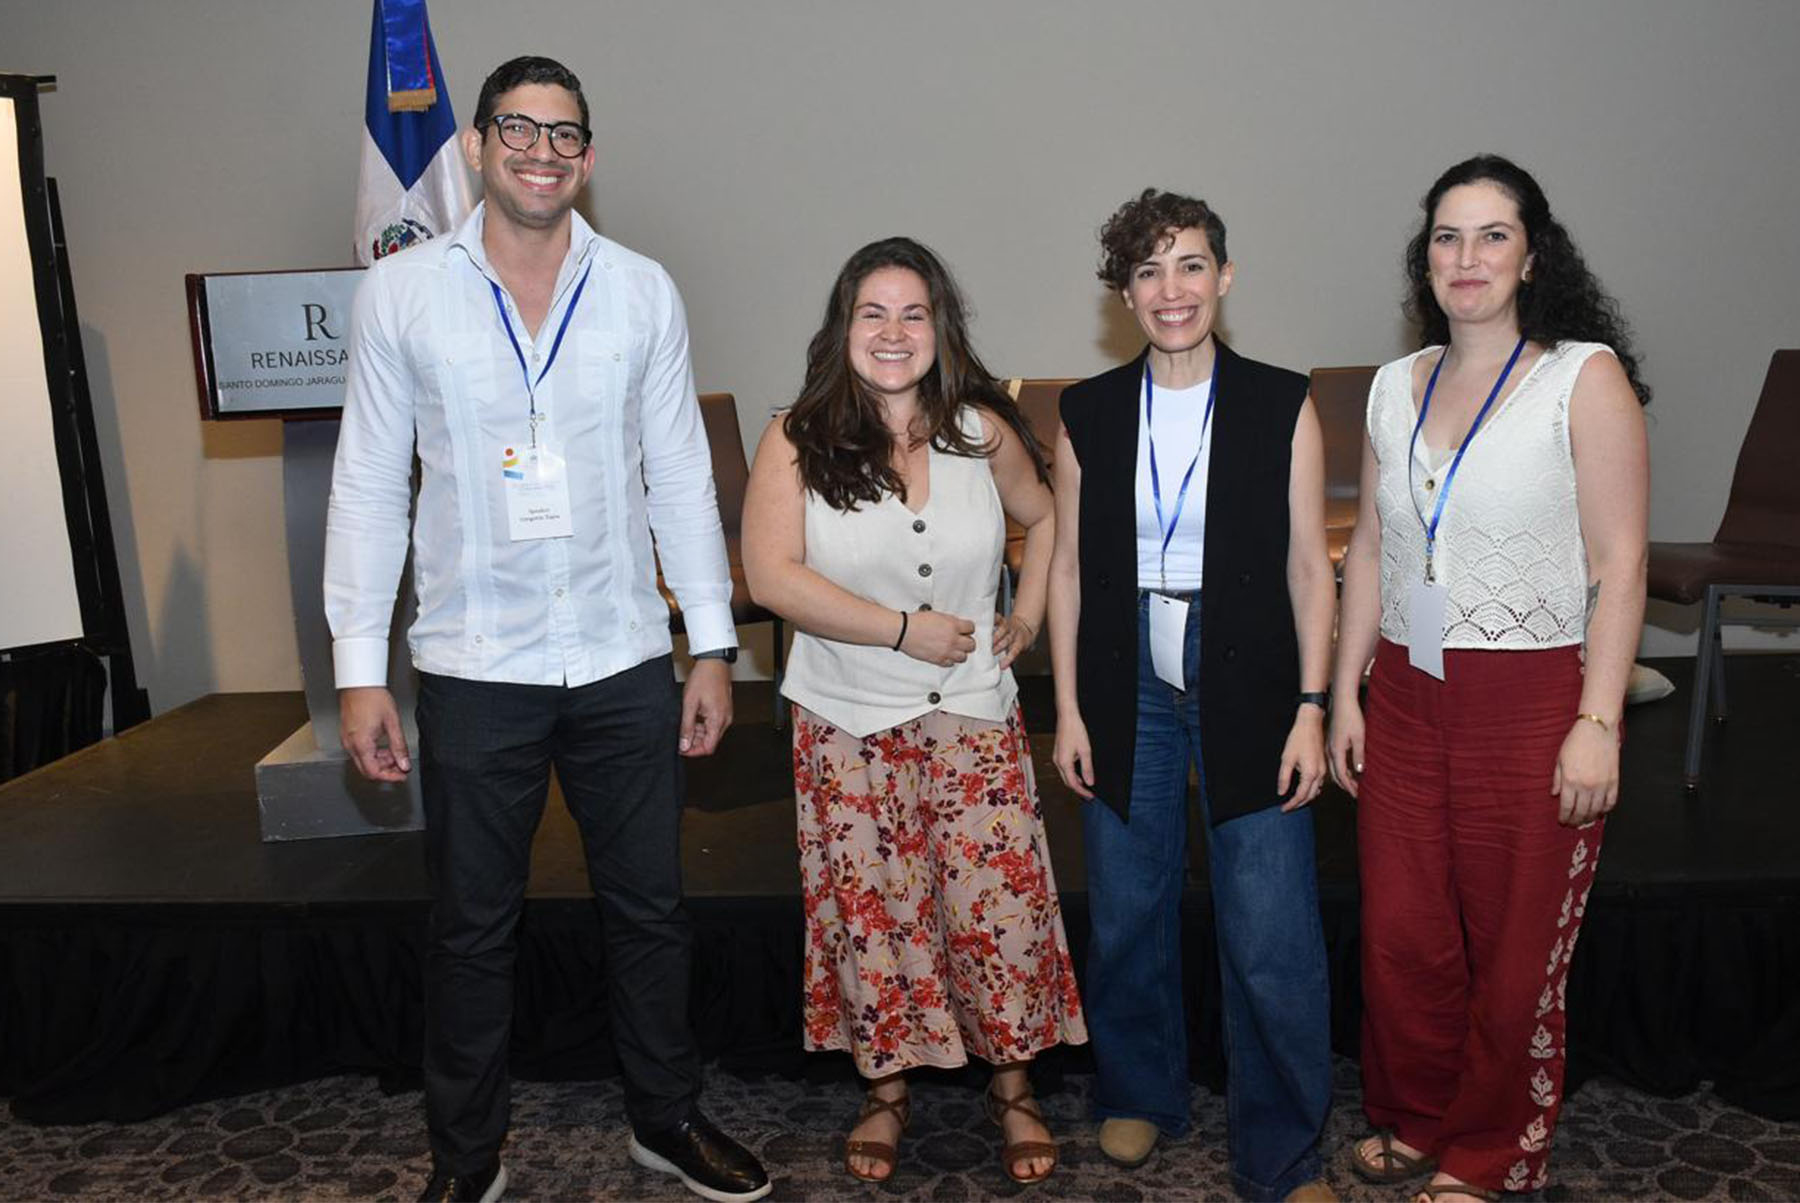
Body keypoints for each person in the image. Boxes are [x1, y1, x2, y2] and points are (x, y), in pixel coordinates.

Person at [324, 55, 770, 1203]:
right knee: (471, 933)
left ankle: (664, 1121)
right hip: (475, 665)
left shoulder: (641, 291)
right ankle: (467, 1159)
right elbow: (370, 486)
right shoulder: (403, 293)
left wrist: (710, 645)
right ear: (475, 146)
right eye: (517, 130)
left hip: (624, 656)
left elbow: (677, 476)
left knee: (651, 914)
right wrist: (358, 671)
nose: (541, 151)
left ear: (589, 155)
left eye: (565, 134)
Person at [1329, 154, 1650, 1203]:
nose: (1466, 259)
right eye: (1446, 238)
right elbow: (1371, 552)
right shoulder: (1393, 385)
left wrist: (1598, 718)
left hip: (1536, 702)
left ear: (1532, 254)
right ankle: (1422, 1118)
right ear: (1425, 261)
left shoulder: (1581, 376)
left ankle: (1493, 1149)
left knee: (1515, 952)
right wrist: (1344, 695)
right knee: (1405, 935)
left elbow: (1620, 564)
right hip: (1409, 699)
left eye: (1491, 235)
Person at [742, 236, 1086, 1185]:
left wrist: (1022, 614)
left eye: (914, 314)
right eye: (873, 313)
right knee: (876, 917)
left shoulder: (982, 430)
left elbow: (1049, 516)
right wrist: (902, 630)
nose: (894, 333)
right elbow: (771, 576)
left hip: (974, 716)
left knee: (998, 913)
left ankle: (1012, 1085)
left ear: (942, 327)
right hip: (848, 727)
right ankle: (885, 1090)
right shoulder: (795, 437)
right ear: (842, 327)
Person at [1047, 189, 1338, 1203]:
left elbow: (1312, 567)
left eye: (1191, 265)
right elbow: (1072, 574)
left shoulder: (1281, 401)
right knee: (1127, 907)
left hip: (1249, 665)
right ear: (1124, 292)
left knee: (1270, 930)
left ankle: (1284, 1148)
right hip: (1126, 671)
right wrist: (1072, 710)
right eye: (1148, 271)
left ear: (1225, 275)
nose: (1172, 290)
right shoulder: (1085, 411)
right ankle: (1137, 1092)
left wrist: (1313, 704)